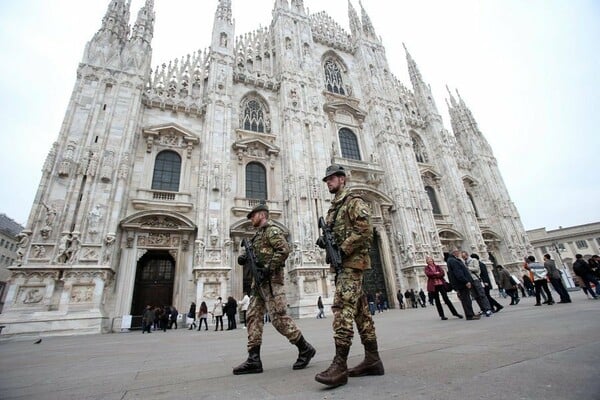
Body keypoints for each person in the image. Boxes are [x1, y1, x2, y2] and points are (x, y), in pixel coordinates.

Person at [314, 164, 384, 387]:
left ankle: (340, 364)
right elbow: (337, 233)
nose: (328, 182)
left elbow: (365, 230)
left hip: (352, 264)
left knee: (342, 308)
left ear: (342, 179)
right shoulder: (334, 208)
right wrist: (325, 241)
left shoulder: (353, 201)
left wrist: (342, 248)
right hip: (343, 265)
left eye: (332, 179)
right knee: (361, 312)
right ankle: (373, 360)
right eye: (326, 180)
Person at [233, 203, 316, 375]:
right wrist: (244, 258)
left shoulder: (272, 230)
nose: (251, 219)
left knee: (278, 318)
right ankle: (253, 359)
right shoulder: (258, 236)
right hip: (258, 284)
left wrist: (269, 267)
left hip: (271, 281)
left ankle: (305, 348)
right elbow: (257, 256)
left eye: (253, 215)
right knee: (253, 317)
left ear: (262, 215)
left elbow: (284, 249)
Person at [424, 256, 462, 320]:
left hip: (441, 284)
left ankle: (455, 313)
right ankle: (442, 315)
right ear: (427, 262)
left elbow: (442, 273)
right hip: (434, 285)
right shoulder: (426, 268)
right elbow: (428, 274)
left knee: (446, 299)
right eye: (429, 261)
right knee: (437, 301)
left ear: (433, 261)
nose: (430, 262)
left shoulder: (438, 266)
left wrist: (434, 274)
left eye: (431, 260)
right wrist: (436, 273)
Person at [446, 249, 480, 320]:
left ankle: (471, 314)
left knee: (466, 299)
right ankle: (470, 315)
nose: (459, 254)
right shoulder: (453, 261)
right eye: (458, 252)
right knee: (466, 300)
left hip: (460, 283)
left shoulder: (452, 260)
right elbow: (458, 273)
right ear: (455, 253)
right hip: (461, 283)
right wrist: (466, 281)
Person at [461, 251, 492, 317]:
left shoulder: (473, 260)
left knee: (482, 294)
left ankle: (488, 309)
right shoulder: (463, 263)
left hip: (475, 279)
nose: (464, 258)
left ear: (467, 255)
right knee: (475, 296)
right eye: (462, 257)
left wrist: (467, 268)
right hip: (469, 280)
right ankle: (483, 309)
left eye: (464, 256)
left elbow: (477, 269)